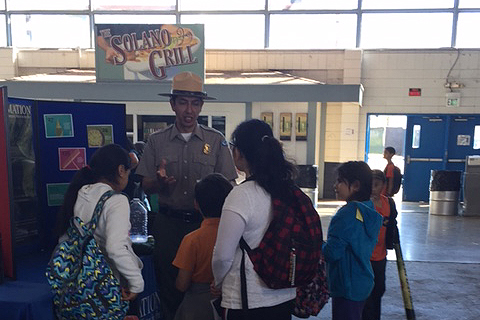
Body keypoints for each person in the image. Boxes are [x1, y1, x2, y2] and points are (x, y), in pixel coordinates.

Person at [135, 71, 237, 320]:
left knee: (212, 286)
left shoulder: (216, 141)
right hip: (168, 225)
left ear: (201, 105)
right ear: (173, 104)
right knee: (170, 286)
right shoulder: (156, 142)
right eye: (182, 102)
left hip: (208, 226)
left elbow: (229, 186)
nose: (189, 110)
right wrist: (158, 183)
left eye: (195, 103)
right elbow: (145, 186)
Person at [212, 119, 298, 320]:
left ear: (238, 153)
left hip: (247, 299)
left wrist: (218, 282)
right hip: (284, 295)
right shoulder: (289, 190)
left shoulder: (241, 195)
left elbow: (223, 256)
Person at [56, 144, 144, 304]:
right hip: (106, 285)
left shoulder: (80, 192)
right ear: (121, 170)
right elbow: (115, 247)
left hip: (76, 284)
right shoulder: (117, 201)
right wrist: (136, 282)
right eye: (128, 172)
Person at [322, 161, 383, 320]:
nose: (335, 185)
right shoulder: (369, 209)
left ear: (355, 186)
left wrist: (317, 244)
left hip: (346, 286)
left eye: (340, 181)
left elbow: (332, 253)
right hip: (362, 281)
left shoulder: (346, 214)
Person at [172, 173, 233, 320]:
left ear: (196, 204)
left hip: (197, 306)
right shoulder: (236, 235)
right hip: (230, 301)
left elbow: (182, 284)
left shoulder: (192, 240)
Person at [362, 170, 399, 320]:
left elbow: (393, 222)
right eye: (370, 185)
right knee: (366, 292)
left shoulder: (388, 204)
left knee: (379, 289)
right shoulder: (363, 205)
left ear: (383, 185)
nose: (373, 189)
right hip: (365, 257)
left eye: (376, 185)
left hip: (380, 256)